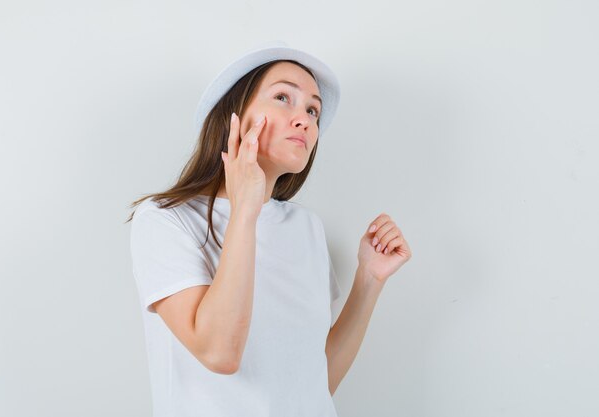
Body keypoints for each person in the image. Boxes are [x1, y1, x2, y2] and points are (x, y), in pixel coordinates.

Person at [126, 41, 412, 417]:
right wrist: (246, 210)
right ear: (232, 116)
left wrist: (369, 280)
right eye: (283, 97)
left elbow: (315, 381)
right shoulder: (165, 219)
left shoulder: (306, 227)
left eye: (313, 109)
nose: (305, 119)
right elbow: (219, 352)